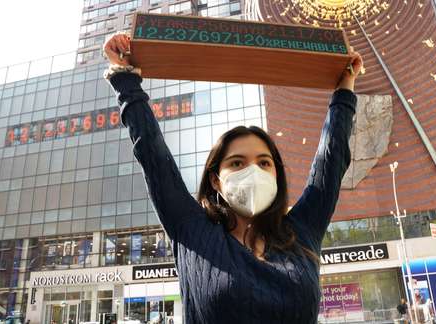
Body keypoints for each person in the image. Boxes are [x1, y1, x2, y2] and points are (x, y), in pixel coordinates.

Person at [103, 32, 362, 323]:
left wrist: (344, 88)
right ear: (216, 180)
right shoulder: (191, 230)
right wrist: (124, 79)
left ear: (276, 173)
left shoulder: (302, 231)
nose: (253, 171)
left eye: (264, 163)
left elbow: (332, 159)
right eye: (237, 162)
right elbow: (152, 154)